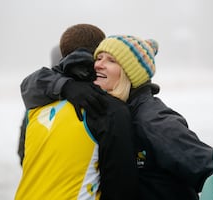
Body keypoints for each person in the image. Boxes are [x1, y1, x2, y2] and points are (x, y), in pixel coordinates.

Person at [20, 34, 213, 199]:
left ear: (129, 75)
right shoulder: (108, 108)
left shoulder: (153, 119)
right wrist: (66, 86)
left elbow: (211, 170)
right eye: (99, 58)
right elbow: (33, 82)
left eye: (111, 61)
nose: (98, 65)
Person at [15, 25, 138, 200]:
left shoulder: (35, 107)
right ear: (96, 57)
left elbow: (24, 156)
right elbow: (120, 188)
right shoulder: (108, 108)